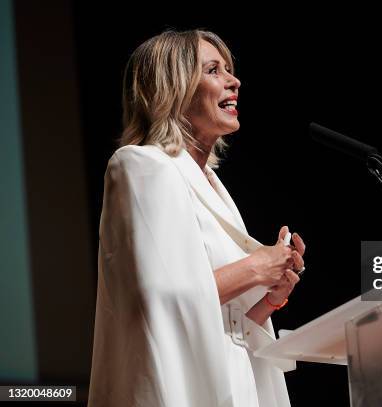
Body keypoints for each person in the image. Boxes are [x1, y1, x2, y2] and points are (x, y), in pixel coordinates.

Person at [87, 29, 305, 407]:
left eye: (229, 70)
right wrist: (256, 267)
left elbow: (222, 320)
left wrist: (270, 299)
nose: (233, 81)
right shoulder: (142, 165)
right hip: (177, 389)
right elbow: (158, 296)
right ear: (174, 89)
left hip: (235, 383)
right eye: (213, 70)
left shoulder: (212, 183)